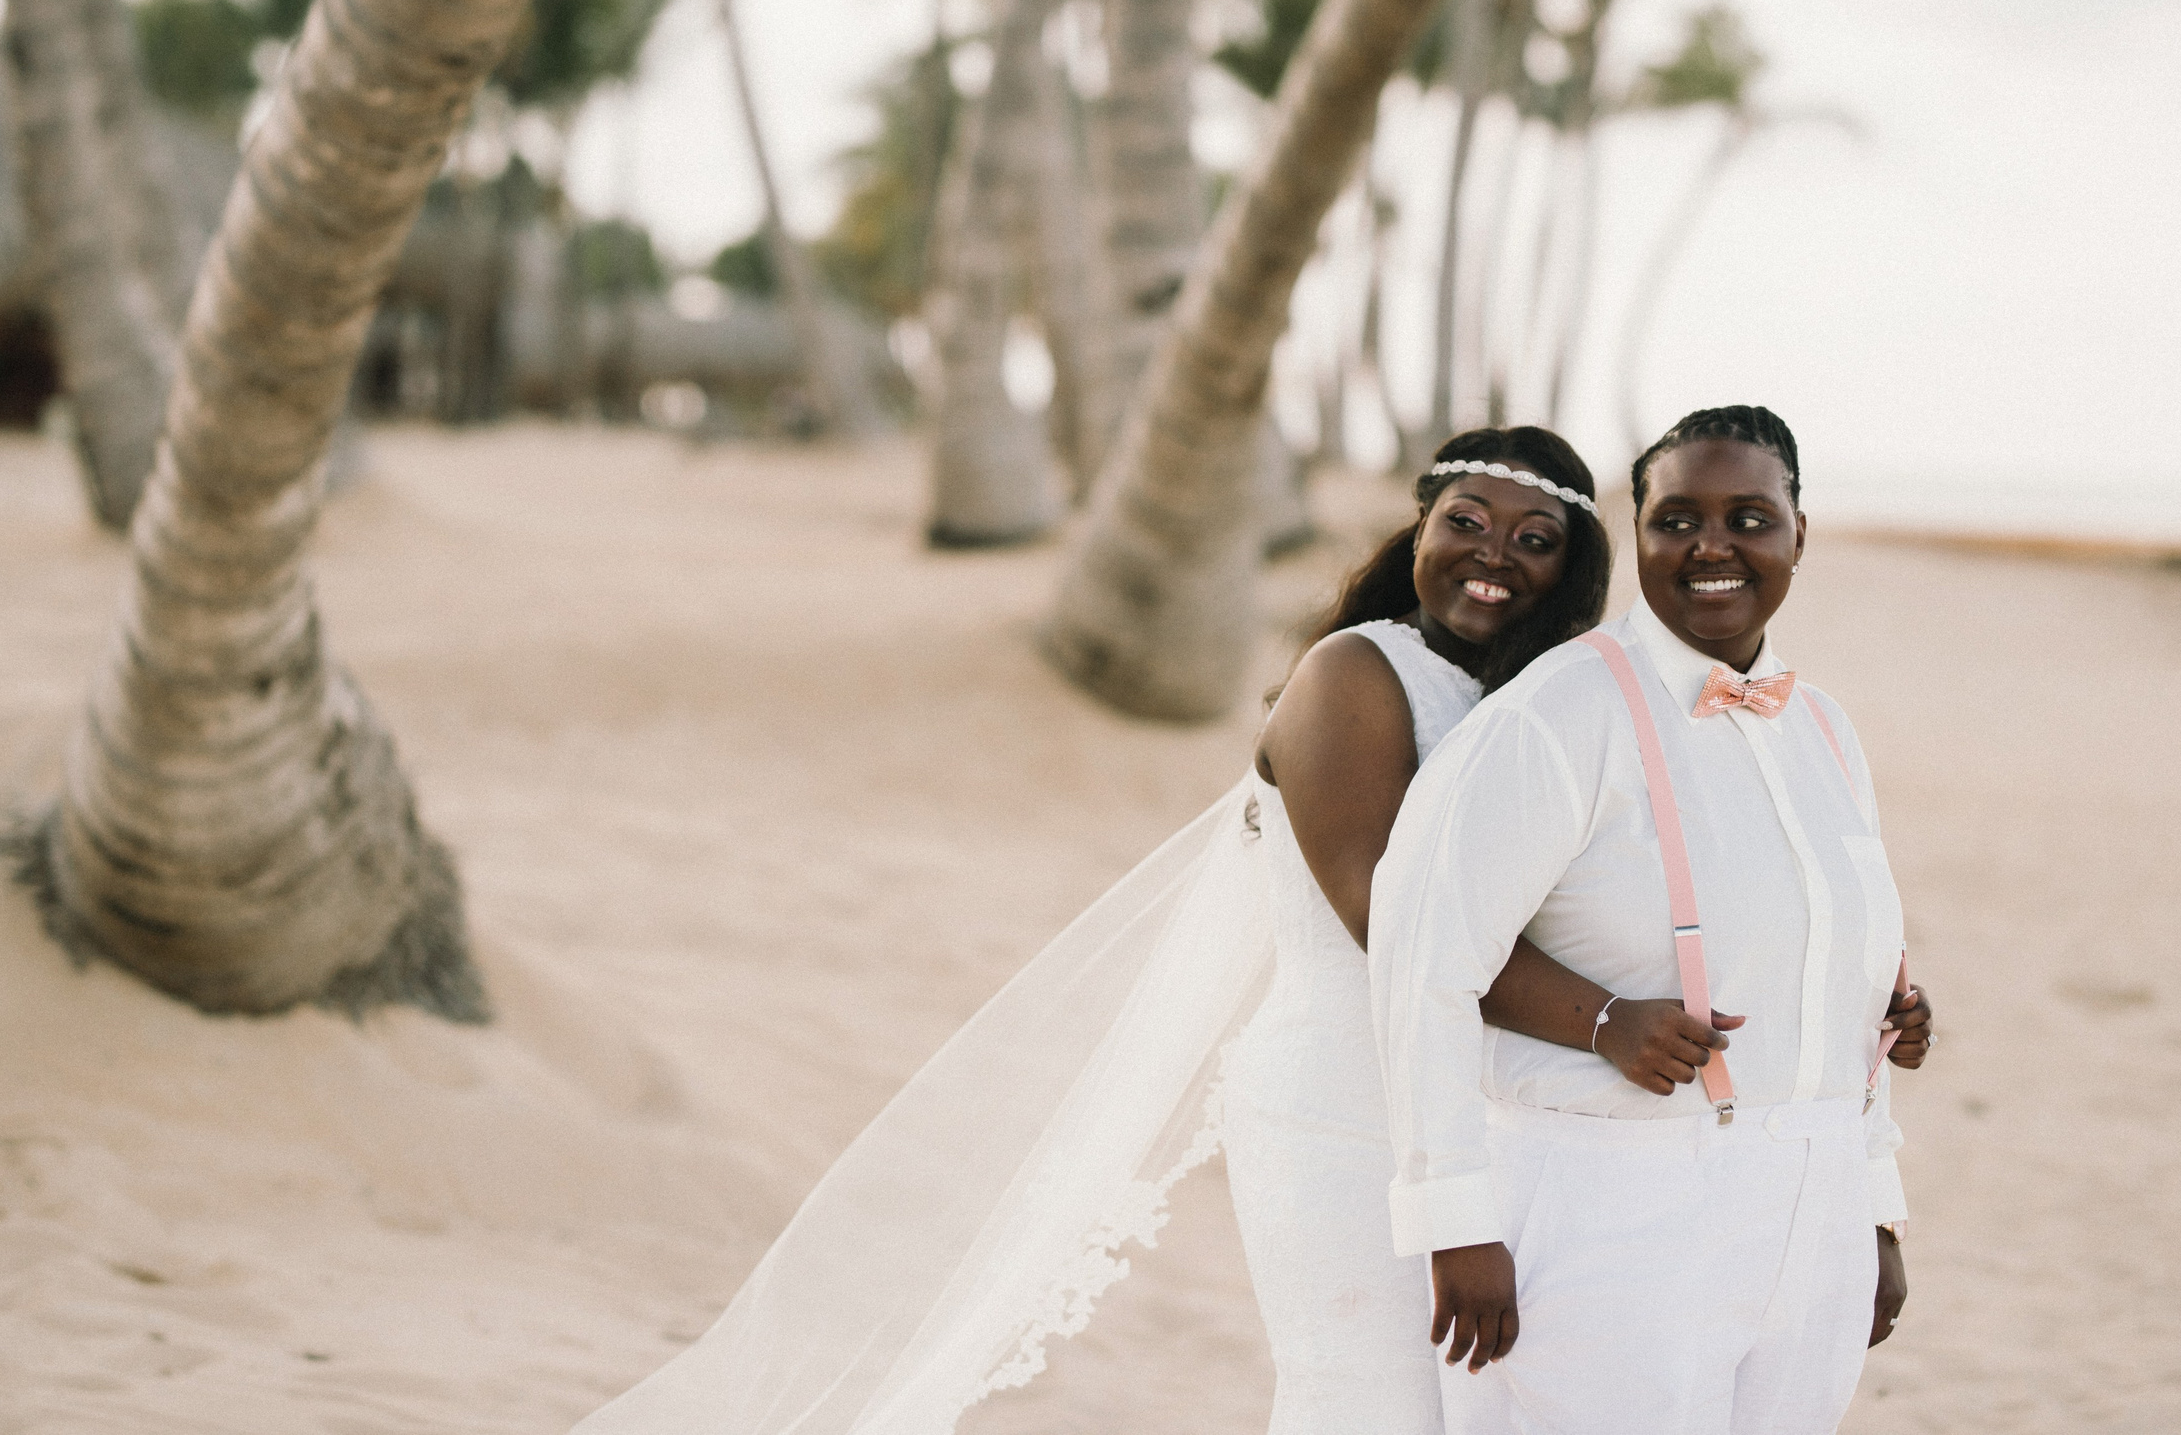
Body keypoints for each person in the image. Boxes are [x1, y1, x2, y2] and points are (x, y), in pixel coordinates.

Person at [573, 417, 1929, 1435]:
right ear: (1414, 529)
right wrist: (1598, 1020)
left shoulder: (1545, 704)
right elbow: (1383, 923)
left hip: (1480, 1104)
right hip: (1349, 1099)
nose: (1495, 559)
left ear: (1577, 564)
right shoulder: (1356, 678)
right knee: (1366, 1400)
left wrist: (1849, 989)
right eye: (1466, 522)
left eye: (1535, 540)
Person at [1371, 405, 1926, 1435]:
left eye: (1748, 517)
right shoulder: (1554, 715)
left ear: (1799, 531)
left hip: (1810, 1210)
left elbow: (1856, 976)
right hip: (1607, 1204)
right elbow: (1424, 962)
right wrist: (1453, 1220)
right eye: (1677, 519)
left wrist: (1871, 1206)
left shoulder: (1824, 725)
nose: (1711, 546)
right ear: (1639, 536)